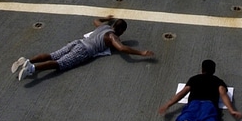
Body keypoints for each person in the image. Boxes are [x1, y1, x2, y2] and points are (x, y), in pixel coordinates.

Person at [11, 16, 153, 80]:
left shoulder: (105, 26)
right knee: (60, 64)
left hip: (78, 42)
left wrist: (107, 18)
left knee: (53, 55)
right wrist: (141, 52)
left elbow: (95, 20)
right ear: (121, 30)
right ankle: (32, 69)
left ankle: (27, 60)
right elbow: (122, 49)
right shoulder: (112, 36)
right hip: (84, 51)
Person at [158, 59, 242, 121]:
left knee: (186, 116)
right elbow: (223, 94)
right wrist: (232, 110)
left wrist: (168, 104)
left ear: (202, 69)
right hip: (209, 105)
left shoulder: (194, 79)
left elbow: (182, 92)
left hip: (193, 104)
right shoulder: (218, 81)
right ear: (214, 70)